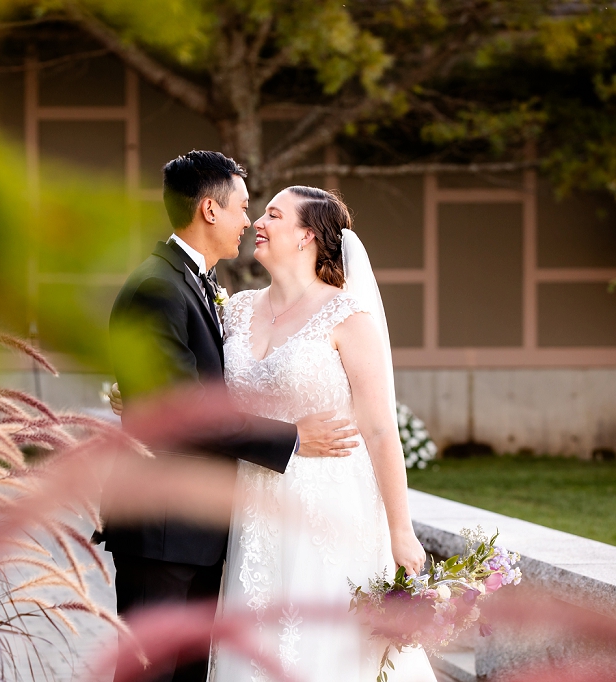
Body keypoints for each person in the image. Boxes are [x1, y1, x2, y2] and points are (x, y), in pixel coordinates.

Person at [102, 151, 360, 682]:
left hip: (198, 530)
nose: (250, 220)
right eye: (244, 207)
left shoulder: (198, 284)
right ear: (210, 210)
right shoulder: (158, 287)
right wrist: (293, 438)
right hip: (163, 526)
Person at [207, 186, 436, 681]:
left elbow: (379, 431)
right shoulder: (237, 310)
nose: (257, 223)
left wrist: (401, 529)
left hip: (330, 506)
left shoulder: (347, 317)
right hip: (254, 503)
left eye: (273, 215)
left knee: (323, 646)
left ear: (307, 235)